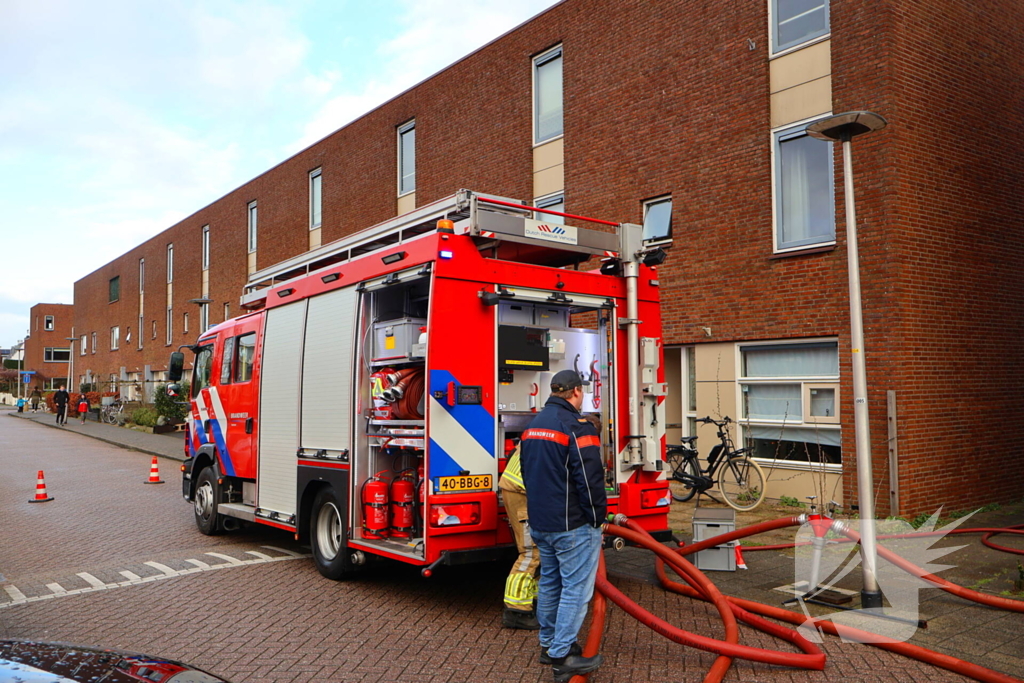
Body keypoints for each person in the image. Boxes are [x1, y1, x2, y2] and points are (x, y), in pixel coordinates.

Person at [520, 370, 607, 683]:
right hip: (573, 525)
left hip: (541, 522)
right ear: (576, 392)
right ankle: (562, 656)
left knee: (550, 583)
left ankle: (548, 644)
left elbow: (527, 473)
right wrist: (598, 517)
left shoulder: (533, 426)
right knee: (575, 589)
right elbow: (590, 478)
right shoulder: (577, 426)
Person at [498, 438, 540, 630]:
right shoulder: (566, 434)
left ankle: (532, 600)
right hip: (522, 491)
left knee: (541, 552)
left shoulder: (548, 429)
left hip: (520, 487)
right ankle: (516, 611)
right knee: (531, 553)